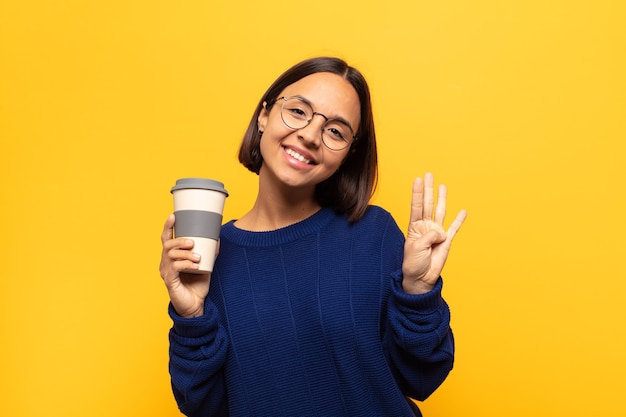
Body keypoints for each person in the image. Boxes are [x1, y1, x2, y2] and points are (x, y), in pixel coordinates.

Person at [159, 56, 467, 416]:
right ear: (264, 115)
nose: (309, 135)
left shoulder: (373, 234)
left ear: (348, 155)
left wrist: (417, 292)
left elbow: (422, 378)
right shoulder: (209, 257)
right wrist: (192, 315)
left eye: (335, 130)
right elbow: (201, 406)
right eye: (299, 111)